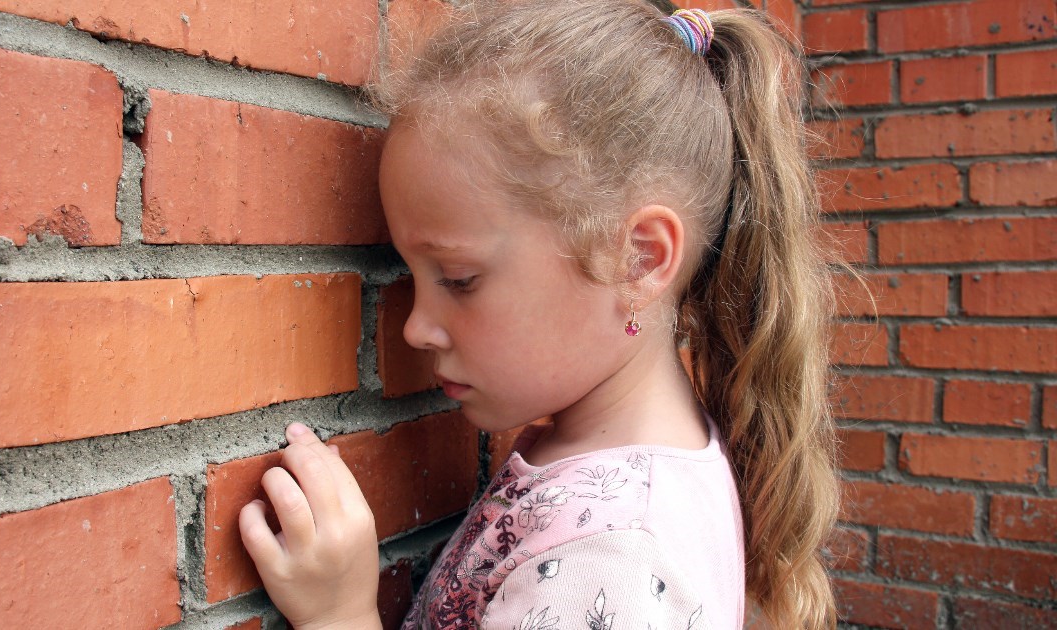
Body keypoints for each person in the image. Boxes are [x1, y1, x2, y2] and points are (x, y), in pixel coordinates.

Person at [238, 1, 840, 628]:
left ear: (637, 260)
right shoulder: (633, 465)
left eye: (460, 279)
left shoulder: (609, 558)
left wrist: (338, 616)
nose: (415, 326)